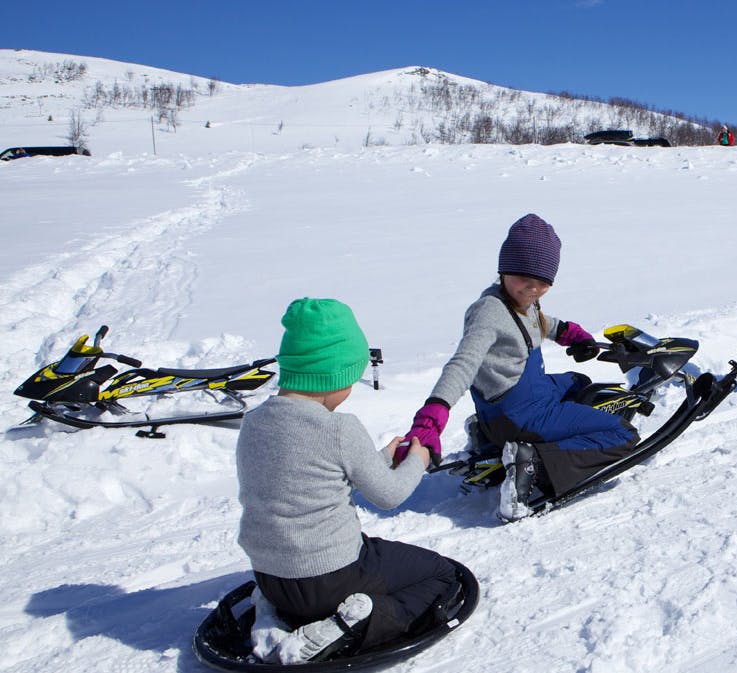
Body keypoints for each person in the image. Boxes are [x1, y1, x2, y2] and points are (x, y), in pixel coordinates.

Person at [236, 298, 458, 663]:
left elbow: (310, 481)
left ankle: (272, 616)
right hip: (331, 578)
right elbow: (389, 495)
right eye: (350, 379)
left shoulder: (255, 423)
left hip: (270, 579)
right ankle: (342, 628)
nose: (351, 388)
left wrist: (383, 458)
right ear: (333, 376)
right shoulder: (339, 427)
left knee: (352, 568)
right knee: (441, 576)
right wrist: (418, 460)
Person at [402, 214, 639, 521]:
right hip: (521, 414)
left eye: (543, 283)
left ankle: (488, 438)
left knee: (578, 381)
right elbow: (464, 363)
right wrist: (431, 418)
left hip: (515, 400)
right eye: (525, 279)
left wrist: (568, 333)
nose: (533, 289)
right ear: (505, 270)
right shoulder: (489, 313)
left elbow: (537, 321)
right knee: (622, 434)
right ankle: (533, 463)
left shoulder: (517, 299)